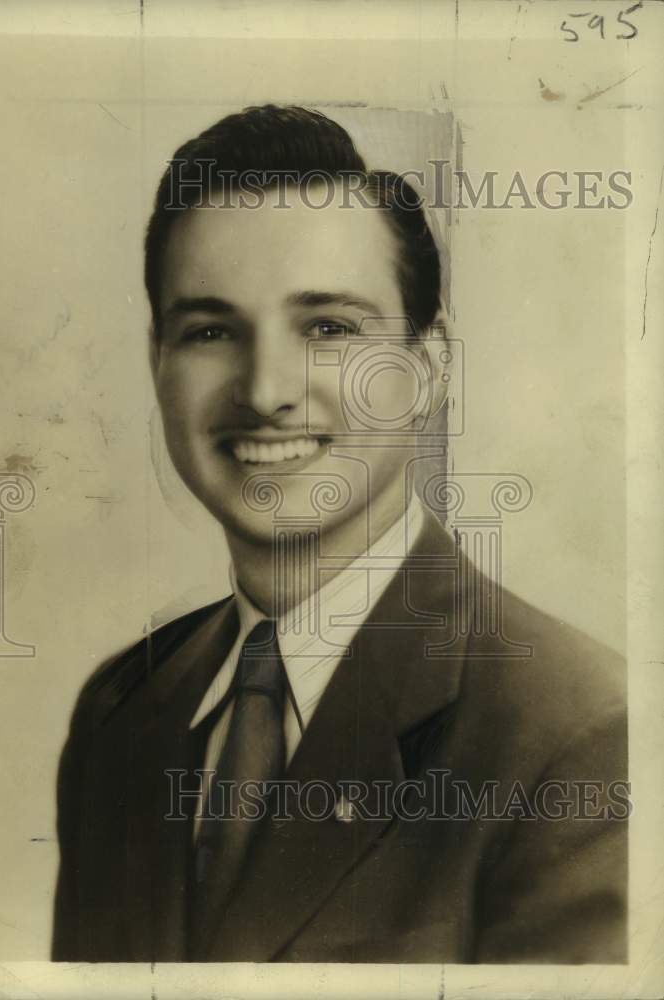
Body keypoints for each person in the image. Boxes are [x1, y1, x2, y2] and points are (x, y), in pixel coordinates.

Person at [51, 105, 627, 964]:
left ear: (429, 368)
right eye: (210, 330)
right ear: (156, 362)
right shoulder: (122, 714)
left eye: (328, 327)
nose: (266, 389)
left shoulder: (580, 733)